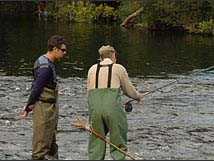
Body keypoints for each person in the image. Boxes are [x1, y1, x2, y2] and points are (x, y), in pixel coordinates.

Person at [86, 45, 145, 160]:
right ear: (113, 55)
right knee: (118, 141)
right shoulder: (118, 68)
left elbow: (88, 92)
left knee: (96, 143)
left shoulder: (92, 69)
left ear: (100, 57)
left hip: (95, 111)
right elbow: (129, 91)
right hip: (113, 110)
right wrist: (138, 97)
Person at [20, 35, 68, 160]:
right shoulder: (45, 68)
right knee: (41, 144)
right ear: (55, 49)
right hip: (45, 109)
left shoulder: (42, 60)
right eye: (63, 50)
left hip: (48, 107)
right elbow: (36, 87)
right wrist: (28, 106)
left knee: (51, 143)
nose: (65, 53)